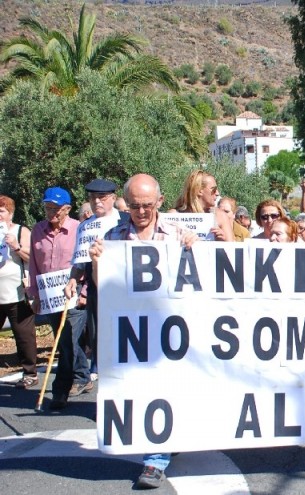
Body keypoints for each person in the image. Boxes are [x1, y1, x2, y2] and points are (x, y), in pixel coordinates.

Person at [88, 174, 197, 490]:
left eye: (147, 205)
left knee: (168, 388)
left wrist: (196, 245)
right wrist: (97, 263)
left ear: (159, 202)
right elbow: (103, 288)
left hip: (175, 329)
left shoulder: (178, 234)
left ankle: (159, 451)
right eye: (134, 206)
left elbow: (207, 273)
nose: (141, 212)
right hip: (135, 330)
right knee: (148, 390)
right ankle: (157, 454)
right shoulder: (114, 236)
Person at [27, 187, 88, 410]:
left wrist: (85, 293)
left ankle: (59, 391)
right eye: (47, 207)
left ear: (67, 209)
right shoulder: (38, 230)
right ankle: (82, 375)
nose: (51, 212)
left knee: (67, 341)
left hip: (74, 293)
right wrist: (34, 294)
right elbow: (33, 263)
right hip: (50, 295)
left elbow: (87, 262)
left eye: (56, 208)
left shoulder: (79, 229)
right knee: (65, 340)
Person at [65, 179, 127, 384]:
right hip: (96, 289)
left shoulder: (125, 219)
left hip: (125, 288)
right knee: (100, 337)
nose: (96, 202)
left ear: (113, 198)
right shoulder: (84, 226)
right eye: (92, 198)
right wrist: (73, 278)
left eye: (102, 197)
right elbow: (80, 259)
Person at [0, 195, 37, 390]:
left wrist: (15, 246)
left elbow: (32, 257)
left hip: (16, 292)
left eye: (2, 211)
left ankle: (29, 372)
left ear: (10, 213)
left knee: (24, 335)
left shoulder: (21, 230)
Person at [172, 169, 232, 241]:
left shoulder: (221, 216)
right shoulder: (174, 215)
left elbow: (233, 249)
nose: (217, 193)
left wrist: (224, 240)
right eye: (214, 189)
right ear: (199, 190)